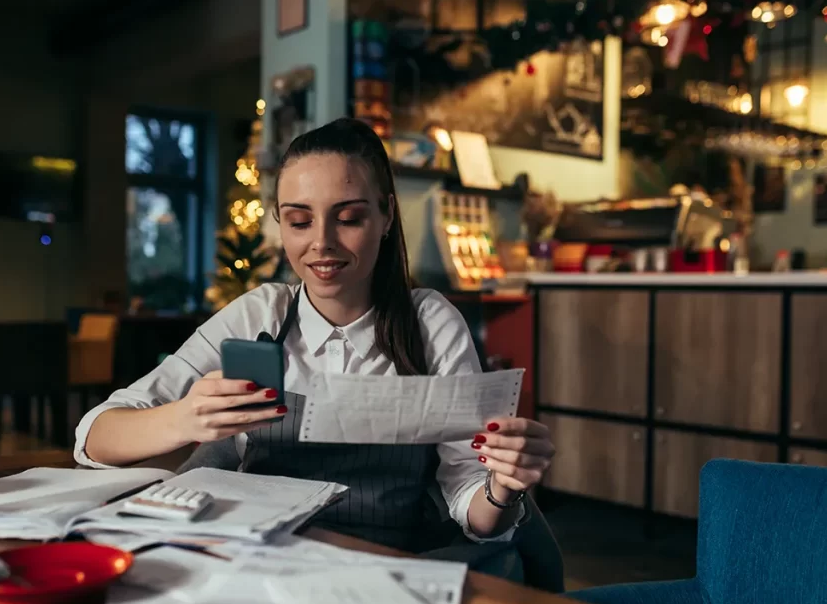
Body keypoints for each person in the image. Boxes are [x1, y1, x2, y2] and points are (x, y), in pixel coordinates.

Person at [74, 118, 556, 558]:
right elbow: (94, 438)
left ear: (387, 216)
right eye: (300, 221)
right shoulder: (260, 313)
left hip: (379, 571)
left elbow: (473, 506)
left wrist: (503, 486)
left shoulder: (430, 323)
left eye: (347, 218)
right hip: (254, 557)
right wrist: (183, 418)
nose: (321, 242)